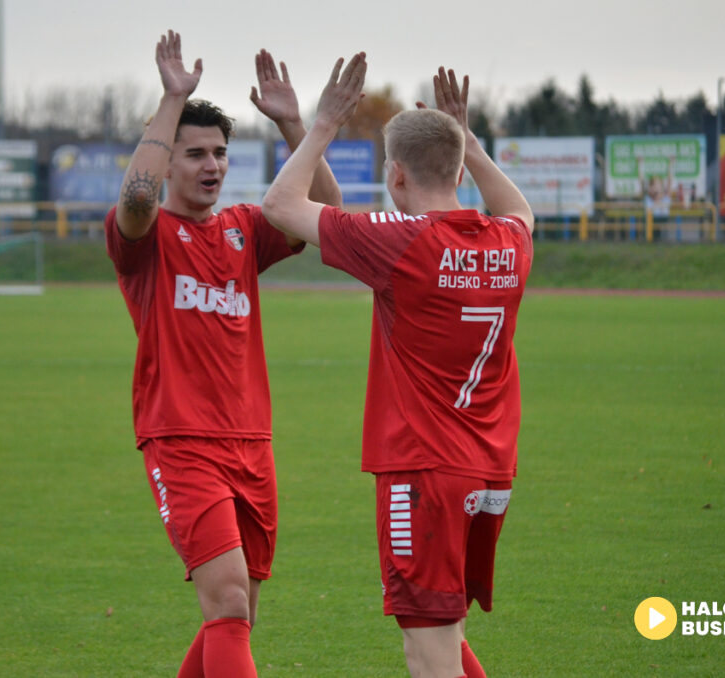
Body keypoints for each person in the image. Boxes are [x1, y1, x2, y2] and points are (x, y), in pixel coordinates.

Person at [262, 57, 534, 678]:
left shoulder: (400, 240)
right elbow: (520, 209)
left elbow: (280, 204)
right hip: (489, 470)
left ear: (396, 174)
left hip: (423, 472)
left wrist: (324, 124)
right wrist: (468, 141)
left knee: (428, 648)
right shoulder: (509, 242)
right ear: (460, 170)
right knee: (448, 634)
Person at [105, 30, 341, 677]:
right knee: (230, 602)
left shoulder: (243, 229)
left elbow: (325, 209)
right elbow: (136, 198)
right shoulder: (146, 238)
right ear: (167, 161)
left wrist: (293, 124)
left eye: (220, 153)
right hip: (181, 440)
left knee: (237, 614)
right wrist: (171, 101)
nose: (212, 165)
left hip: (252, 442)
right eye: (195, 154)